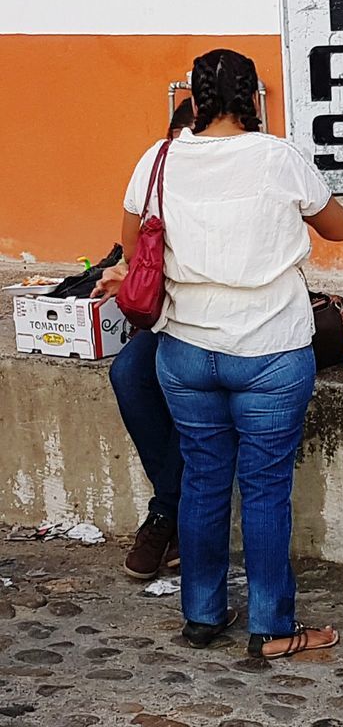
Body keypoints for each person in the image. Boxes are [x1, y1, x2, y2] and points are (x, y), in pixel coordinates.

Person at [115, 49, 343, 659]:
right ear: (253, 96)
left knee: (201, 481)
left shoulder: (159, 158)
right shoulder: (278, 157)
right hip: (270, 347)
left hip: (187, 347)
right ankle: (272, 628)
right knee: (266, 488)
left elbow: (130, 242)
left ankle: (201, 615)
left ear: (194, 96)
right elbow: (339, 227)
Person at [93, 100, 195, 580]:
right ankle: (170, 511)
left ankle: (164, 513)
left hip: (220, 323)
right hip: (168, 316)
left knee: (182, 380)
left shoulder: (245, 171)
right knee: (129, 372)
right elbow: (134, 251)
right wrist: (124, 275)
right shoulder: (156, 169)